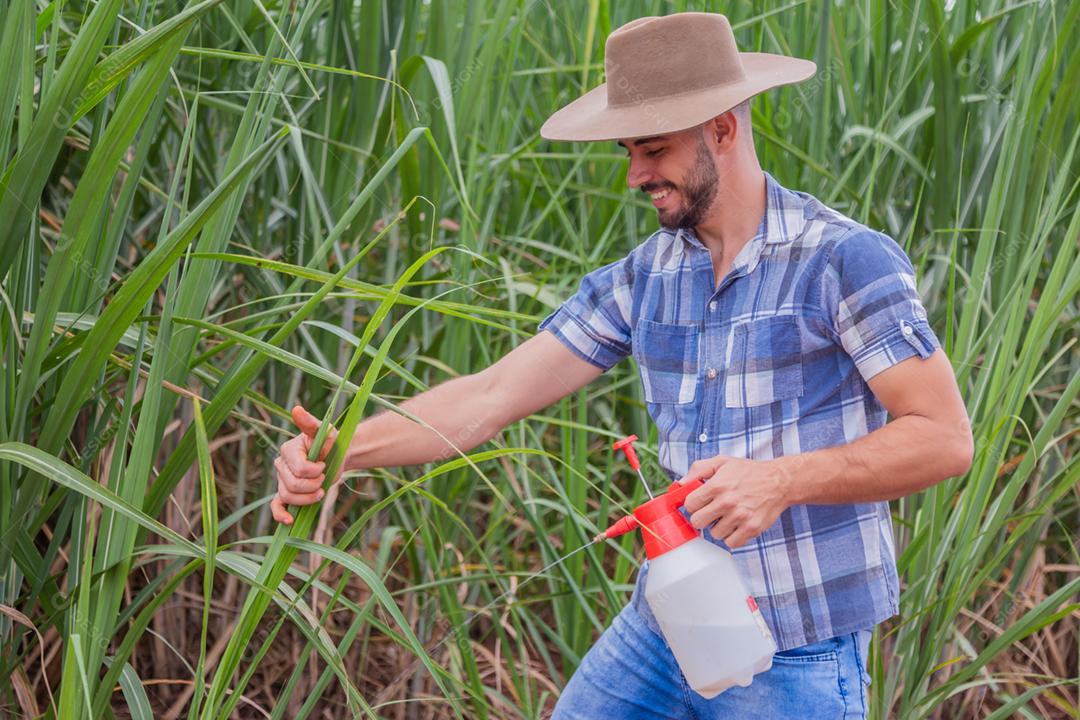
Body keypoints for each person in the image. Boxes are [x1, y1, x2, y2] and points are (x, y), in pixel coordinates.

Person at [271, 11, 973, 719]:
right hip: (668, 624)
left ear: (724, 130)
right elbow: (494, 392)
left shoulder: (842, 260)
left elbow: (944, 438)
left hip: (799, 648)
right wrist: (342, 450)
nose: (637, 175)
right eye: (629, 152)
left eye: (655, 151)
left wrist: (782, 481)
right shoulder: (646, 276)